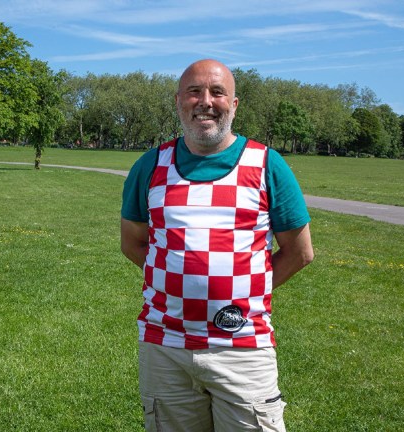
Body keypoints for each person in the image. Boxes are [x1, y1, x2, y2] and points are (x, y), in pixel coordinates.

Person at [120, 59, 314, 432]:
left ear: (234, 104)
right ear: (179, 101)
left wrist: (244, 293)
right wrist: (178, 283)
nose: (205, 101)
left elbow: (299, 252)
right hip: (165, 346)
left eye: (217, 92)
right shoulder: (150, 164)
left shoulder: (266, 164)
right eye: (194, 91)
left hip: (243, 346)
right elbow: (133, 243)